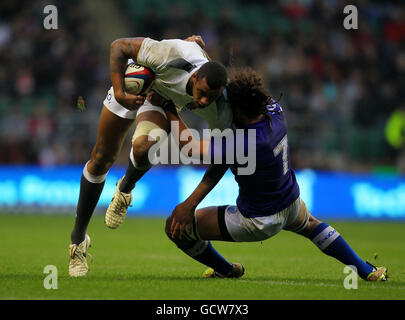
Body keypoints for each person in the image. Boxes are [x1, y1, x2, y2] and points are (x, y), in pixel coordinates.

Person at [164, 68, 388, 282]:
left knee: (176, 228)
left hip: (258, 219)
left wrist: (168, 106)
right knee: (311, 225)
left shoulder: (243, 143)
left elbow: (190, 148)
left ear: (239, 110)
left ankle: (225, 269)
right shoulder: (275, 110)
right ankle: (367, 270)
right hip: (290, 202)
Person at [69, 35, 233, 277]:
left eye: (211, 97)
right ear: (195, 77)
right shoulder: (168, 55)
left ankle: (124, 188)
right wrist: (119, 91)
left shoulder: (219, 106)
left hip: (162, 100)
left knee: (144, 148)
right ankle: (78, 241)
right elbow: (118, 46)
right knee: (101, 158)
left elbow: (221, 155)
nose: (203, 101)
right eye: (201, 93)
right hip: (138, 83)